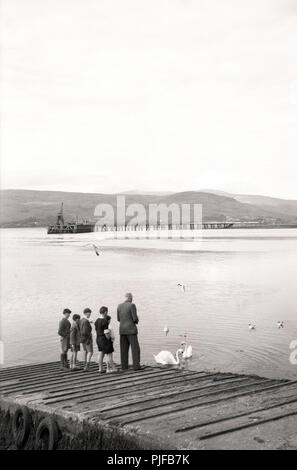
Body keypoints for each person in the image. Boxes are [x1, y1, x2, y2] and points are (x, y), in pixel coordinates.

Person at [117, 293, 142, 371]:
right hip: (131, 330)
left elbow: (118, 319)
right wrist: (137, 320)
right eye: (132, 297)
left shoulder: (119, 306)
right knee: (135, 349)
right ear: (130, 298)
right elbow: (134, 318)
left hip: (122, 330)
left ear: (125, 298)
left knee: (123, 349)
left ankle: (124, 366)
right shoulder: (132, 305)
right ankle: (136, 366)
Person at [94, 306, 117, 373]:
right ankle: (113, 368)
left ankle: (100, 368)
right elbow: (106, 333)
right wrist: (109, 339)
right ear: (105, 312)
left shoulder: (96, 321)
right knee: (109, 354)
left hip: (98, 338)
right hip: (104, 339)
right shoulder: (104, 321)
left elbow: (96, 330)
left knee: (101, 353)